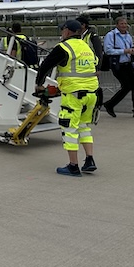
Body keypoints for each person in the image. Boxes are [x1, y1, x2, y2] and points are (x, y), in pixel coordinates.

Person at [34, 20, 100, 176]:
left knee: (69, 129)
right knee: (84, 126)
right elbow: (94, 64)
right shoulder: (86, 47)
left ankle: (73, 166)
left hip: (74, 95)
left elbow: (45, 66)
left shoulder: (63, 47)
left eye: (62, 30)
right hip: (91, 94)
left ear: (68, 31)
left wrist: (39, 85)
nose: (61, 33)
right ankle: (90, 159)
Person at [103, 17, 134, 119]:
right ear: (117, 25)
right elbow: (108, 50)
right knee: (126, 86)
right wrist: (123, 51)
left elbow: (131, 51)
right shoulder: (111, 35)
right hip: (118, 65)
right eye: (121, 24)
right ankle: (110, 104)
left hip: (128, 64)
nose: (124, 26)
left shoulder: (128, 36)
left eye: (125, 24)